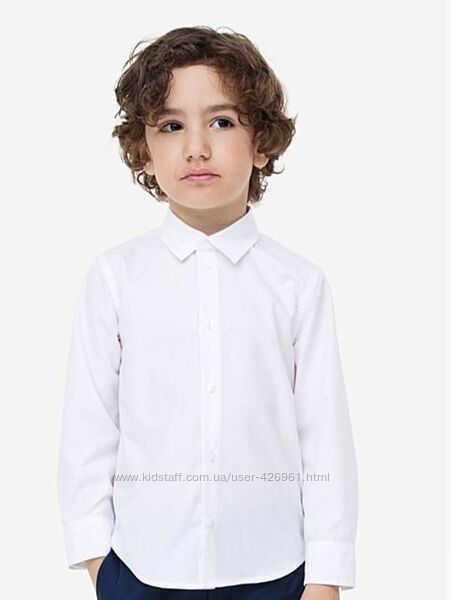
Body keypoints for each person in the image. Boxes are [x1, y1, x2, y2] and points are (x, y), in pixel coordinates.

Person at [57, 25, 358, 600]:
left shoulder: (298, 285)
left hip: (274, 571)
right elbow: (88, 429)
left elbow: (324, 436)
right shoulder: (115, 278)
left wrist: (325, 575)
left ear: (261, 142)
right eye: (171, 126)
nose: (196, 147)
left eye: (221, 122)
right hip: (142, 569)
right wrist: (98, 560)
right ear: (144, 150)